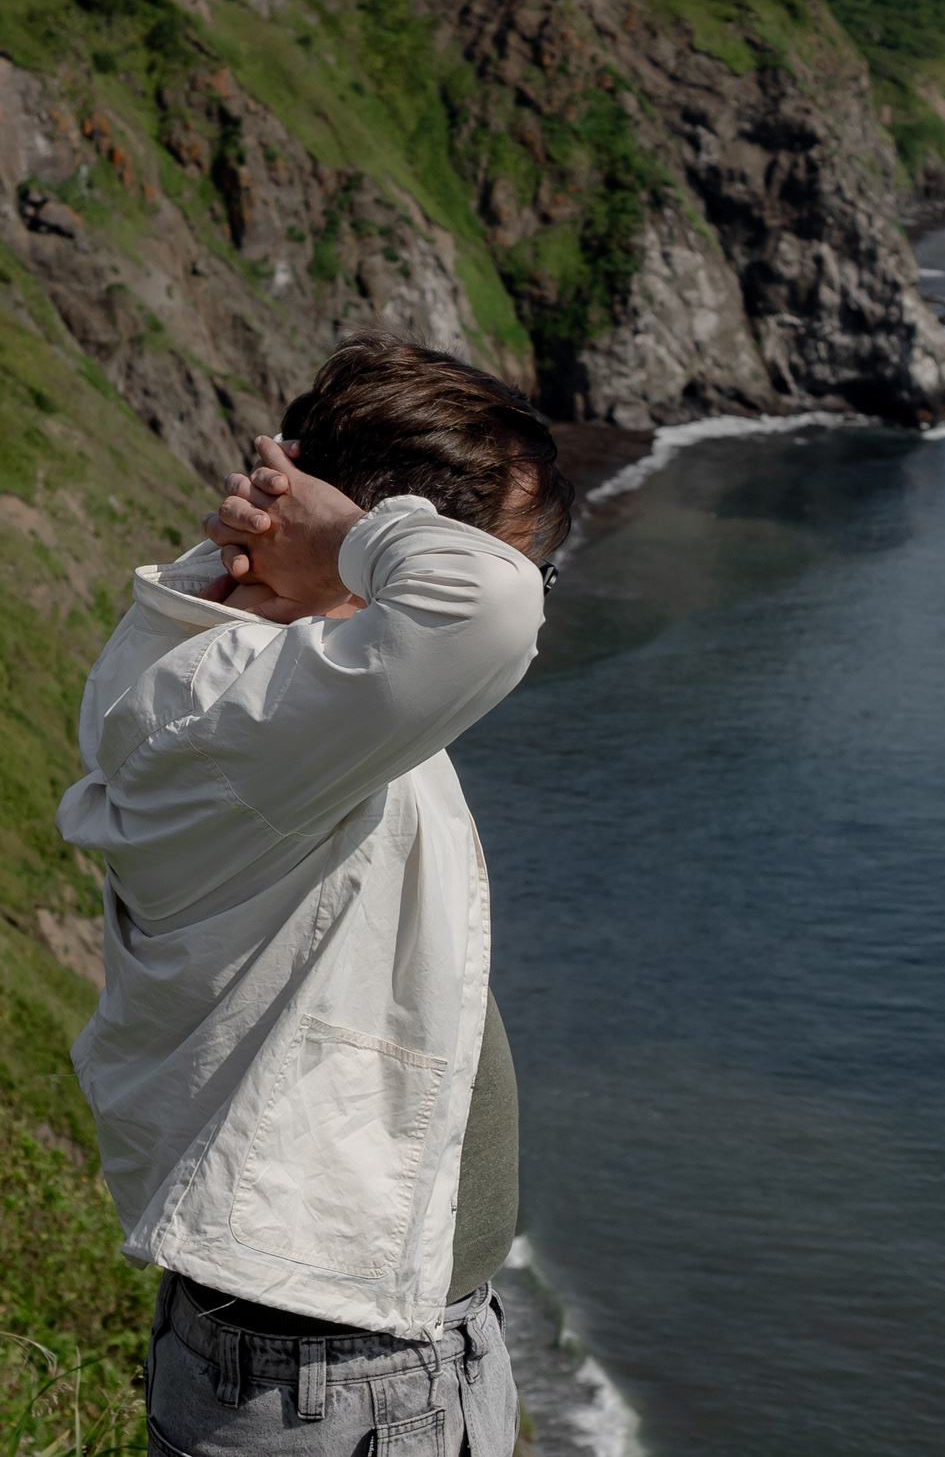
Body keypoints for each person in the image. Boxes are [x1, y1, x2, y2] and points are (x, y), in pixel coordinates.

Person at [56, 334, 573, 1457]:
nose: (537, 599)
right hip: (339, 1383)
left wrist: (313, 544)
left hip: (381, 1353)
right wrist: (342, 540)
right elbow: (485, 613)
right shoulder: (239, 721)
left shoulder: (282, 690)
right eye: (532, 564)